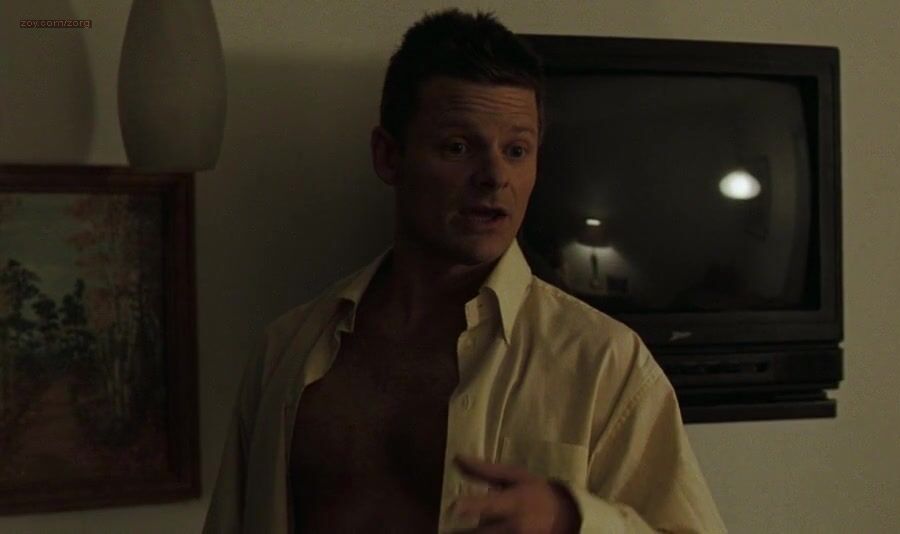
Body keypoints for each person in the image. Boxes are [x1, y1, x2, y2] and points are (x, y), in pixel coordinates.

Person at [203, 8, 726, 534]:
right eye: (457, 147)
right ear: (389, 157)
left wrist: (570, 519)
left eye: (516, 150)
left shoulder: (603, 362)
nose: (495, 176)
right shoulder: (287, 352)